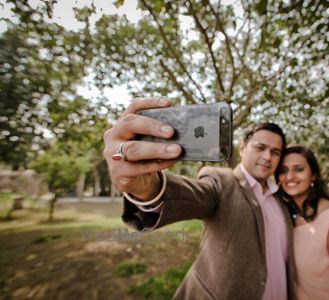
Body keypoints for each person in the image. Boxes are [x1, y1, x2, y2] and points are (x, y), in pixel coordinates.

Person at [103, 97, 295, 299]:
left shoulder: (282, 198)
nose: (267, 157)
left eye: (275, 152)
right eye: (260, 147)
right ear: (243, 148)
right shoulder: (221, 181)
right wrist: (145, 187)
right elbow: (192, 195)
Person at [275, 145, 329, 300]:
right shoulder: (291, 217)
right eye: (283, 170)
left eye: (299, 169)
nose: (289, 176)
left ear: (314, 175)